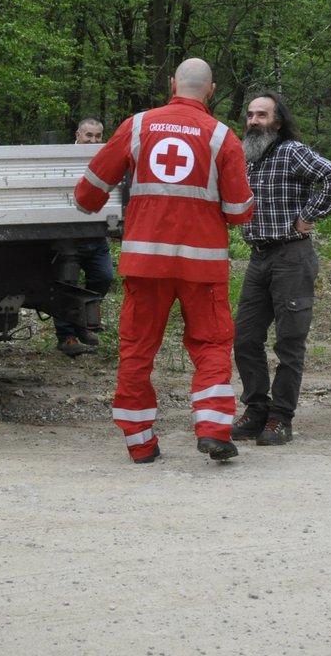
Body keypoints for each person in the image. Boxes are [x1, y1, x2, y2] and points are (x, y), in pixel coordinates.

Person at [75, 59, 254, 463]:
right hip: (202, 267)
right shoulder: (223, 137)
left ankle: (140, 444)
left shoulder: (137, 126)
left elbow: (87, 195)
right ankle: (213, 429)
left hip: (145, 263)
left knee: (137, 349)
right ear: (210, 91)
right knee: (211, 344)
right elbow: (241, 211)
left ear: (172, 83)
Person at [231, 91, 331, 446]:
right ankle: (256, 410)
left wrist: (307, 218)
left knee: (289, 342)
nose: (254, 121)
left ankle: (280, 419)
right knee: (245, 338)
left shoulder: (291, 152)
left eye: (262, 115)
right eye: (250, 114)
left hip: (291, 257)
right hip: (258, 258)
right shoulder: (247, 159)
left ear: (277, 122)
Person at [55, 117, 115, 357]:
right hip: (68, 236)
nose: (93, 140)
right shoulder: (63, 158)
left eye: (98, 136)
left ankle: (84, 326)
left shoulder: (106, 160)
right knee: (65, 286)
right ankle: (66, 336)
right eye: (88, 135)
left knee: (103, 278)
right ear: (77, 135)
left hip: (96, 235)